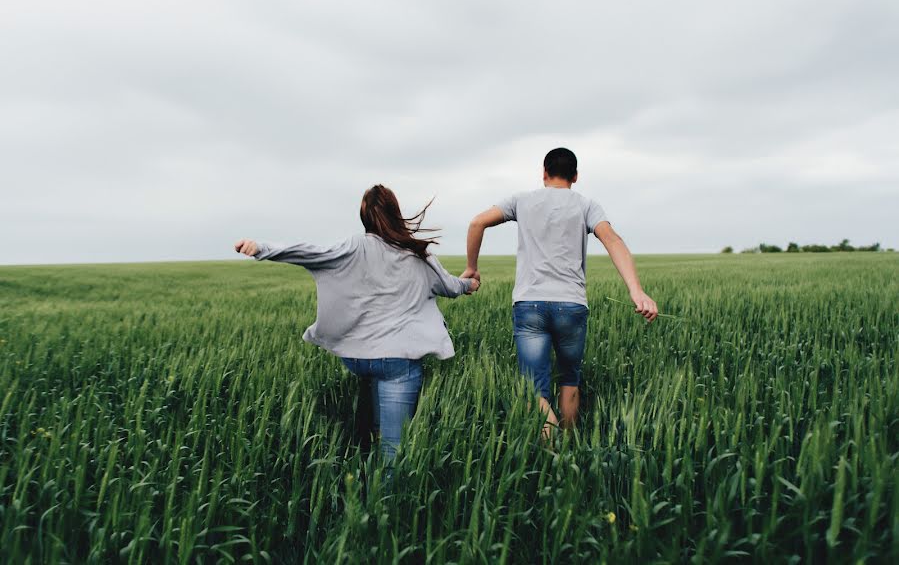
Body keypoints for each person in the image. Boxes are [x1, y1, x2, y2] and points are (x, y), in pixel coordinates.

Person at [234, 184, 479, 461]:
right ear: (395, 212)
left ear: (364, 217)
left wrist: (261, 248)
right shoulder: (416, 253)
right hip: (398, 360)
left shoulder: (353, 247)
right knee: (394, 449)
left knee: (376, 383)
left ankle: (371, 440)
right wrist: (469, 283)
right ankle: (385, 493)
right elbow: (449, 286)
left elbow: (310, 252)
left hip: (358, 357)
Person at [462, 147, 657, 435]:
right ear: (575, 176)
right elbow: (613, 241)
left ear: (544, 173)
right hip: (572, 306)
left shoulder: (521, 200)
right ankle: (569, 451)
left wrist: (472, 267)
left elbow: (477, 222)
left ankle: (551, 454)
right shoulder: (587, 205)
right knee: (570, 379)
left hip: (530, 306)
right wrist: (637, 291)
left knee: (534, 388)